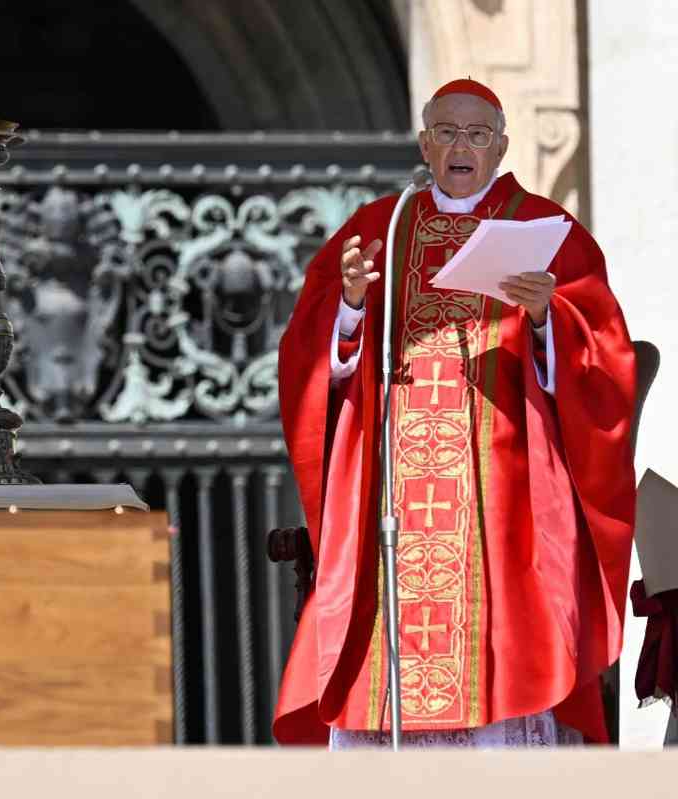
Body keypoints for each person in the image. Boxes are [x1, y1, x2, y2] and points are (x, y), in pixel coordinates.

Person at [273, 79, 637, 746]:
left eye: (476, 134)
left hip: (504, 488)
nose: (461, 147)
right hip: (393, 487)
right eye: (446, 132)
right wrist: (349, 304)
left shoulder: (542, 229)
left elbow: (605, 358)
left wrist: (543, 314)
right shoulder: (378, 226)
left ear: (500, 146)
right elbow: (311, 358)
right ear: (424, 144)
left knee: (507, 647)